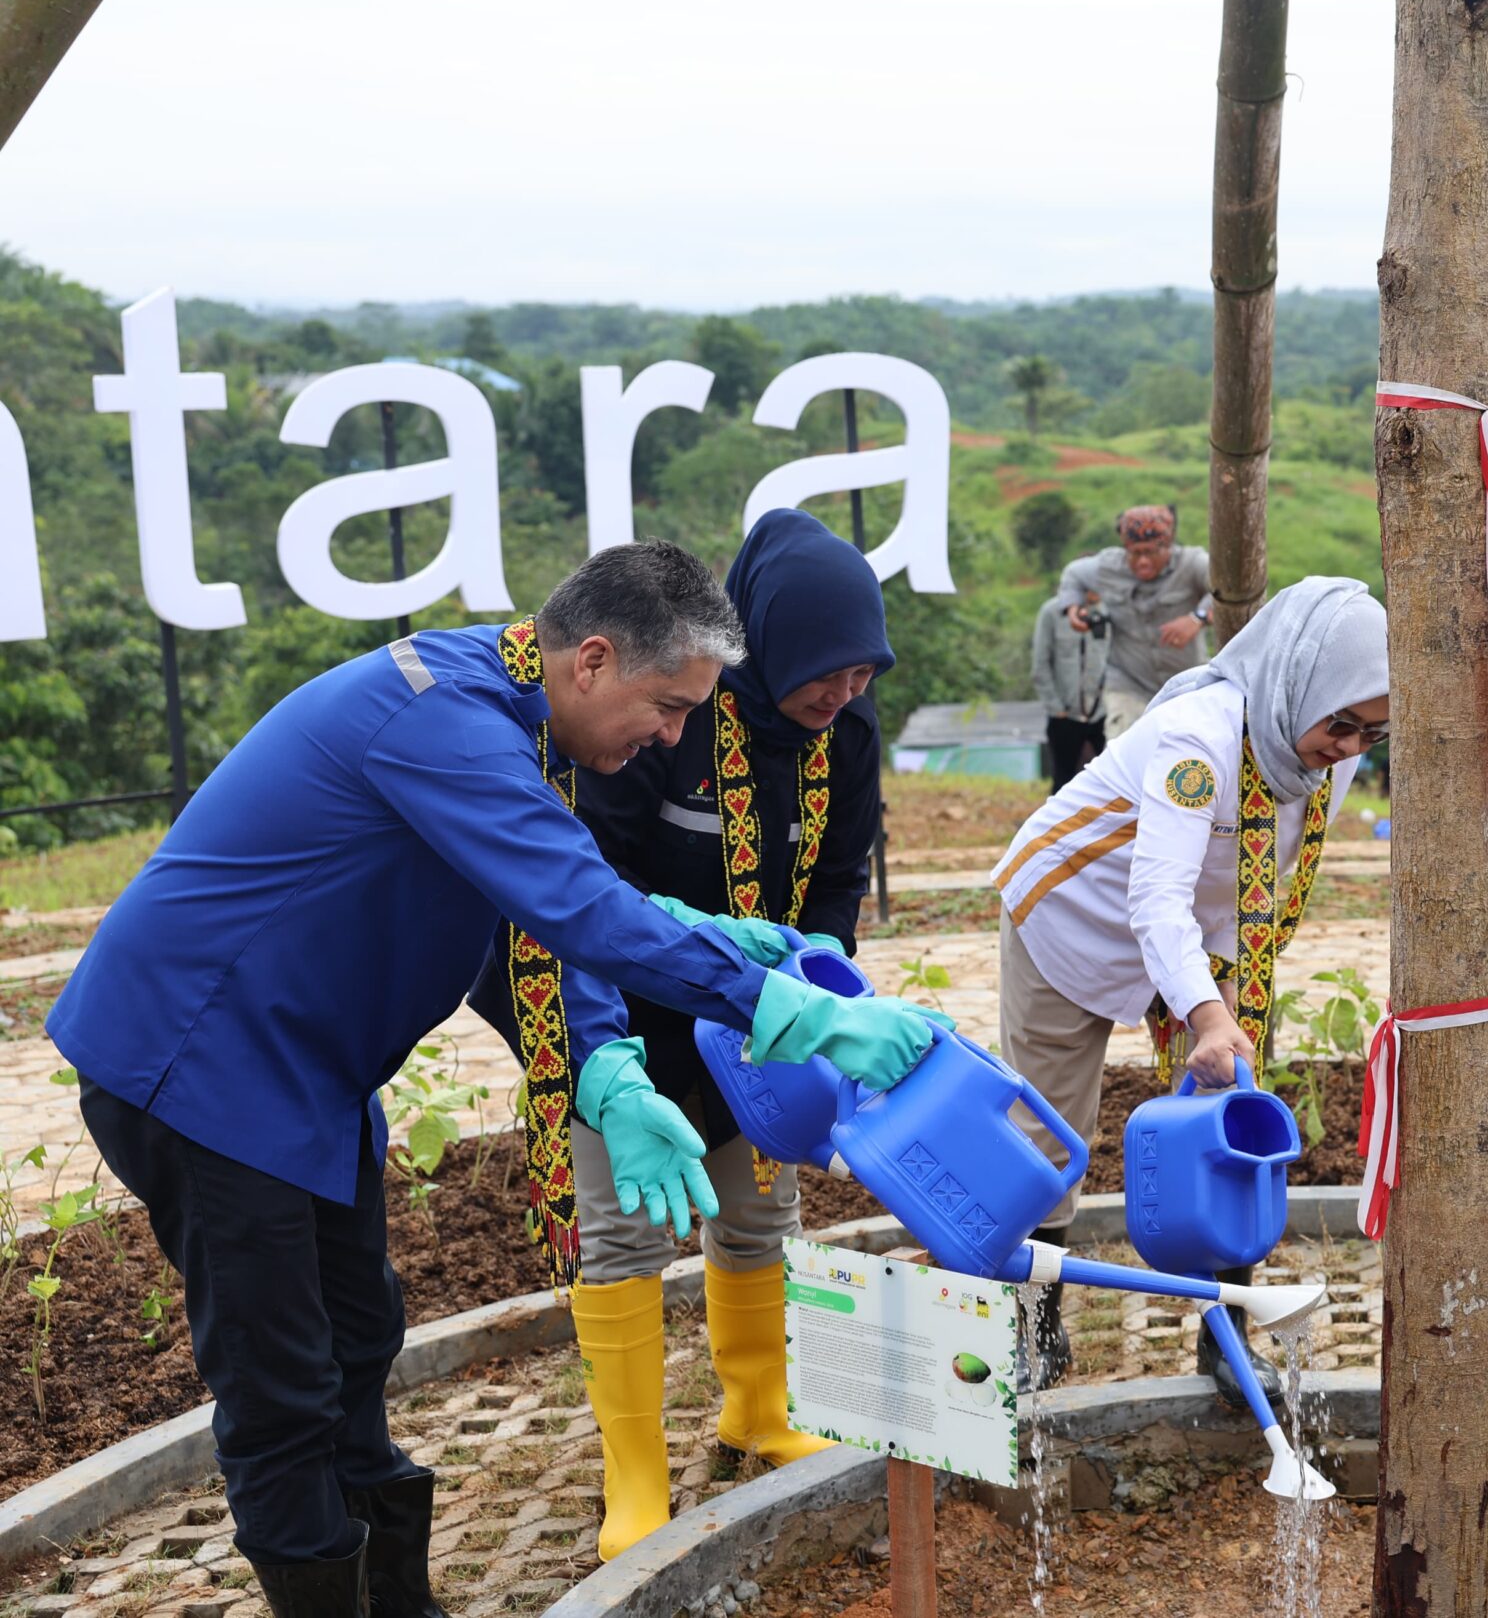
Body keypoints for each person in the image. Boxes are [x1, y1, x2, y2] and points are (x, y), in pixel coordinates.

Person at [44, 541, 947, 1615]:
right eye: (665, 708)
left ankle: (402, 1600)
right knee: (282, 1385)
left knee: (361, 1330)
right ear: (595, 660)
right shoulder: (441, 719)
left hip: (310, 1069)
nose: (672, 736)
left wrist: (604, 1060)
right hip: (200, 1065)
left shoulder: (521, 716)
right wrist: (787, 1008)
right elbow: (581, 905)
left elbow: (538, 921)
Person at [464, 510, 894, 1560]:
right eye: (825, 671)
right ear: (771, 640)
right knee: (624, 1234)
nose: (841, 694)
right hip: (624, 1016)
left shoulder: (848, 739)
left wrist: (819, 974)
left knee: (759, 1213)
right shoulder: (672, 718)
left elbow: (839, 876)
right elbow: (578, 891)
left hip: (760, 1017)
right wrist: (606, 1052)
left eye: (864, 673)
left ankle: (758, 1407)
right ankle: (636, 1470)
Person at [989, 577, 1385, 1408]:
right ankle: (1033, 1328)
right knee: (1051, 1130)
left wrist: (1222, 1006)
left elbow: (1258, 884)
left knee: (1232, 1114)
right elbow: (1154, 897)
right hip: (1070, 914)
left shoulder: (1320, 758)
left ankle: (1226, 1335)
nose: (1350, 747)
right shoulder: (1196, 740)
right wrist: (1205, 1011)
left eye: (1371, 732)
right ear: (1295, 684)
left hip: (1197, 938)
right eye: (1341, 724)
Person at [1056, 504, 1216, 739]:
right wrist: (1073, 607)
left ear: (1168, 546)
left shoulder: (1192, 563)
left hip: (1186, 683)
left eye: (1151, 552)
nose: (1142, 561)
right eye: (1135, 553)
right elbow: (1073, 574)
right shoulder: (1108, 567)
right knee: (1123, 750)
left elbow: (1228, 587)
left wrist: (1197, 618)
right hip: (1128, 683)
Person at [1032, 592, 1109, 792]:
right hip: (1065, 713)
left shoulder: (1109, 611)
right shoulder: (1053, 612)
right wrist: (1056, 707)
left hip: (1103, 712)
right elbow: (1040, 664)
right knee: (1063, 782)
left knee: (1110, 781)